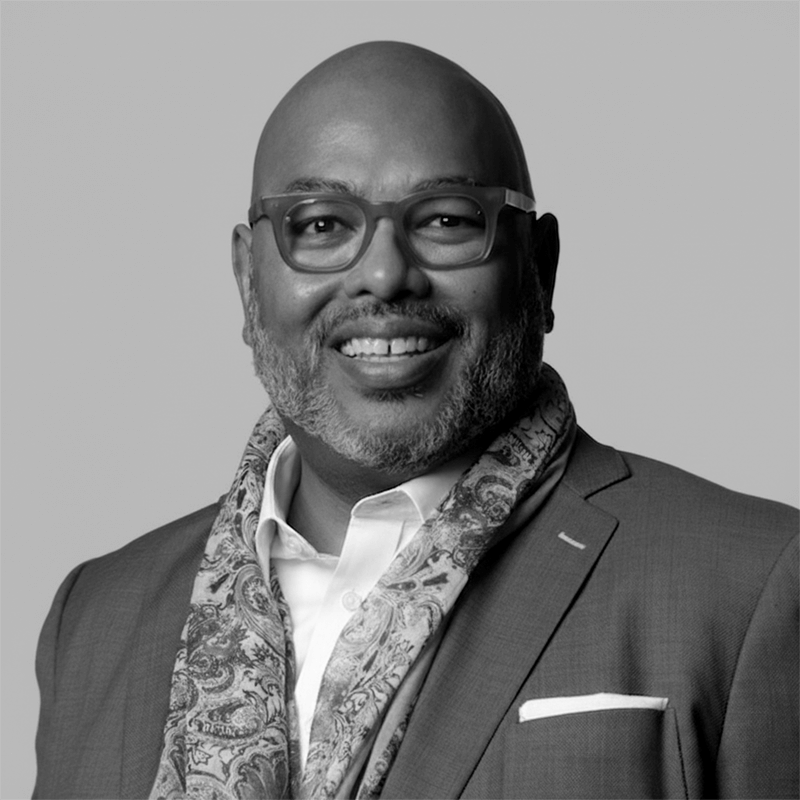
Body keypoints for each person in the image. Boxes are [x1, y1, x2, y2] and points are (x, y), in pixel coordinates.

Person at [33, 41, 799, 800]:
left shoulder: (749, 585)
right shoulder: (97, 620)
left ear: (541, 266)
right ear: (247, 281)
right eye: (322, 225)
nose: (384, 273)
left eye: (445, 219)